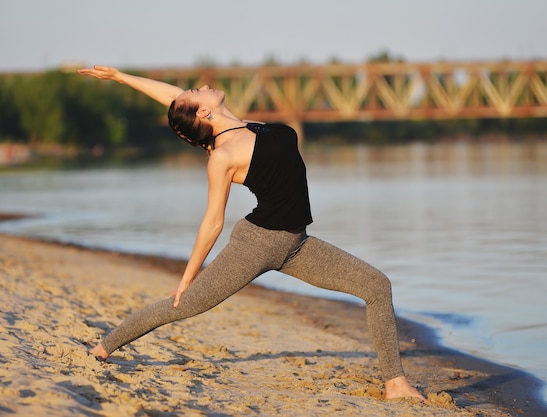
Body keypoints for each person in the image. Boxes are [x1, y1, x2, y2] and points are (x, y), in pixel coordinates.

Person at [77, 65, 425, 401]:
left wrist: (121, 77)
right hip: (256, 245)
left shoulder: (242, 126)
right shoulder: (223, 155)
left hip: (296, 244)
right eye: (199, 93)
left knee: (377, 286)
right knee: (182, 305)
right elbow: (213, 222)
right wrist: (188, 276)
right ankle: (103, 347)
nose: (203, 86)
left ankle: (395, 384)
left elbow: (175, 98)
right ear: (204, 114)